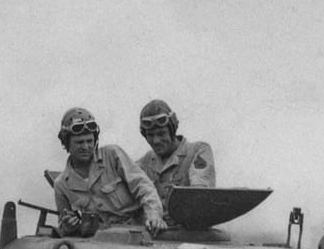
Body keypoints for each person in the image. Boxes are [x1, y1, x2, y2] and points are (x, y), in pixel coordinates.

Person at [50, 107, 164, 237]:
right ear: (66, 143)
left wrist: (154, 214)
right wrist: (68, 226)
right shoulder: (61, 185)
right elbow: (64, 225)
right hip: (101, 239)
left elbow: (143, 185)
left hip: (139, 232)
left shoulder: (112, 155)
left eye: (89, 141)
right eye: (79, 142)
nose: (86, 147)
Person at [135, 98, 216, 214]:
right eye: (150, 135)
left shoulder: (197, 151)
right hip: (154, 223)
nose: (156, 140)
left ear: (172, 131)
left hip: (189, 221)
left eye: (161, 134)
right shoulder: (144, 163)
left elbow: (200, 193)